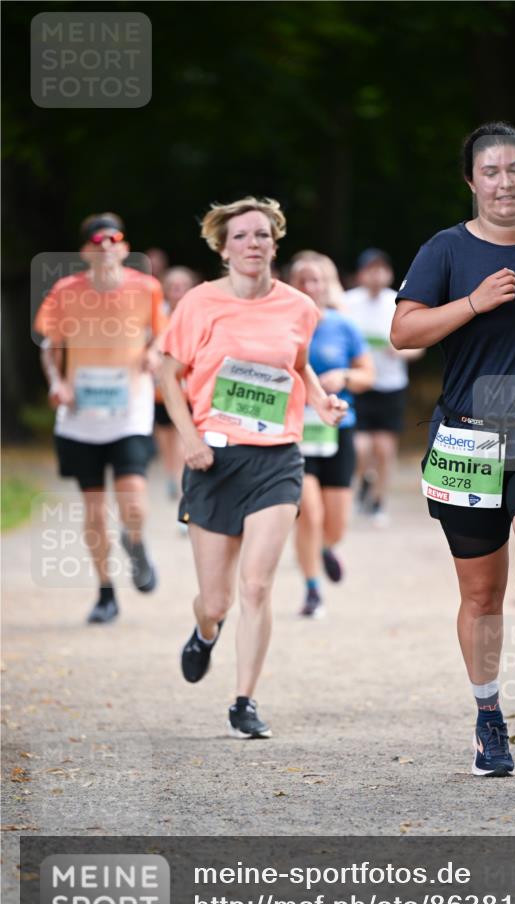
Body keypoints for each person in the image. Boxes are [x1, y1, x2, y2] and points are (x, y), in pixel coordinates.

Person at [391, 122, 515, 780]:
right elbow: (403, 331)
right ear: (470, 182)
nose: (503, 183)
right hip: (469, 438)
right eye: (490, 172)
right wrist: (472, 304)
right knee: (480, 595)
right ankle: (487, 722)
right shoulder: (445, 251)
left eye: (514, 170)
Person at [159, 196, 347, 738]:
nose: (252, 245)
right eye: (240, 237)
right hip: (213, 459)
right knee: (215, 600)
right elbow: (169, 375)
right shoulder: (198, 303)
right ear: (223, 247)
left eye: (261, 235)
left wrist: (318, 401)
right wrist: (190, 439)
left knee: (258, 586)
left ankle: (244, 701)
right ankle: (204, 631)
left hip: (277, 459)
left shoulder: (298, 306)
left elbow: (297, 362)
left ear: (275, 242)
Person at [35, 213, 164, 624]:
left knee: (133, 502)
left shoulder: (147, 288)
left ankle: (136, 542)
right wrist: (58, 382)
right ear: (85, 251)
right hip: (81, 415)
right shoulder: (65, 290)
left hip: (129, 409)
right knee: (93, 509)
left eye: (115, 238)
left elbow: (162, 334)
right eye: (97, 239)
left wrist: (152, 352)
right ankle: (105, 591)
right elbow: (50, 346)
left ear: (125, 248)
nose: (106, 244)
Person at [288, 254, 374, 618]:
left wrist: (345, 378)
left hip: (338, 430)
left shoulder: (343, 326)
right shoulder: (281, 325)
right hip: (294, 434)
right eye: (303, 280)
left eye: (316, 280)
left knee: (336, 522)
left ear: (327, 285)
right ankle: (311, 589)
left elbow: (368, 375)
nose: (310, 287)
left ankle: (326, 548)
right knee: (309, 511)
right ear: (292, 285)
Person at [344, 249, 423, 524]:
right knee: (361, 448)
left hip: (391, 386)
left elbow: (418, 346)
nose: (375, 275)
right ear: (360, 274)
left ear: (389, 273)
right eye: (370, 269)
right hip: (359, 384)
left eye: (381, 269)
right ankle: (364, 480)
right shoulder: (348, 303)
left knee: (385, 450)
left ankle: (378, 501)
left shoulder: (398, 302)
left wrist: (399, 351)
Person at [154, 267, 199, 501]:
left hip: (189, 389)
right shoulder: (157, 314)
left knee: (184, 439)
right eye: (172, 287)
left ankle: (184, 487)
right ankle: (172, 476)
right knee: (166, 439)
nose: (177, 292)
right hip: (160, 391)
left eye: (182, 287)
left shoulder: (198, 315)